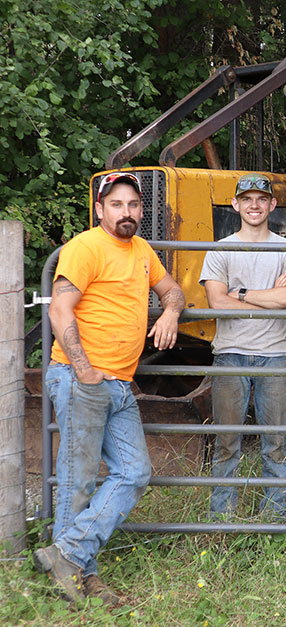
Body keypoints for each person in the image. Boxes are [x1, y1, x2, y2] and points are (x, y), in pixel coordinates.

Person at [36, 172, 184, 604]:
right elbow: (61, 308)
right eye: (116, 204)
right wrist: (83, 369)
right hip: (83, 378)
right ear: (100, 209)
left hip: (119, 383)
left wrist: (171, 312)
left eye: (133, 205)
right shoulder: (85, 247)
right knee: (79, 481)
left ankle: (67, 555)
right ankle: (82, 577)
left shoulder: (141, 250)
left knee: (134, 472)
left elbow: (171, 289)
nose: (126, 212)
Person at [199, 174, 286, 519]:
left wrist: (241, 294)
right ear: (236, 205)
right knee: (227, 442)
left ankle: (274, 516)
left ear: (272, 204)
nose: (255, 205)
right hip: (229, 353)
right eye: (247, 199)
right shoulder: (220, 250)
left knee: (275, 443)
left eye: (261, 199)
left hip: (275, 355)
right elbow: (217, 303)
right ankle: (222, 519)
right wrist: (266, 299)